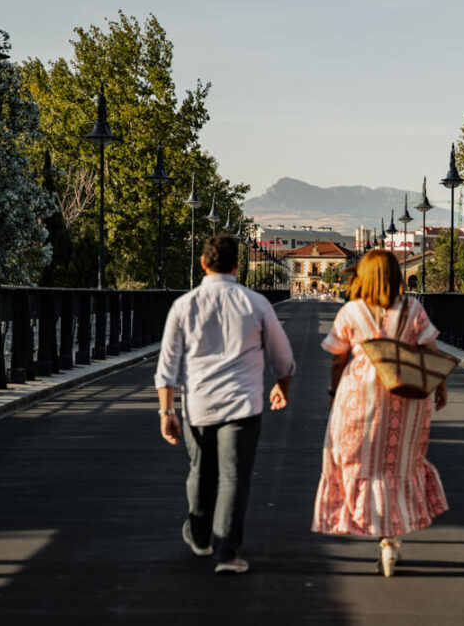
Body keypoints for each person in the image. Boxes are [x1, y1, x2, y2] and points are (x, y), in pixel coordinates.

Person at [154, 233, 295, 575]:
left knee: (200, 471)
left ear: (203, 264)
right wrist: (281, 386)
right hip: (242, 407)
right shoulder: (256, 304)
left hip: (198, 405)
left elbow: (167, 366)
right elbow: (284, 359)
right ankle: (227, 554)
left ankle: (201, 538)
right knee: (234, 477)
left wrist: (166, 412)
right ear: (237, 265)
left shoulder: (184, 306)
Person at [313, 249, 449, 577]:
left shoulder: (352, 312)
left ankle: (371, 527)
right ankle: (391, 540)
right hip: (407, 399)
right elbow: (431, 350)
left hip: (360, 398)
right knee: (397, 464)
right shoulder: (412, 309)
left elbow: (337, 358)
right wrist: (440, 386)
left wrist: (334, 394)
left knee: (357, 462)